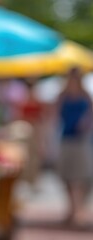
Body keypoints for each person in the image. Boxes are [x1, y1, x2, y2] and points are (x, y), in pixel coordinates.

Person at [55, 67, 93, 225]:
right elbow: (55, 114)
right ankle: (72, 208)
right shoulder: (62, 96)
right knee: (67, 176)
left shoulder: (86, 96)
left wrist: (86, 124)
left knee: (79, 177)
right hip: (66, 138)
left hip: (81, 140)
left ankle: (77, 210)